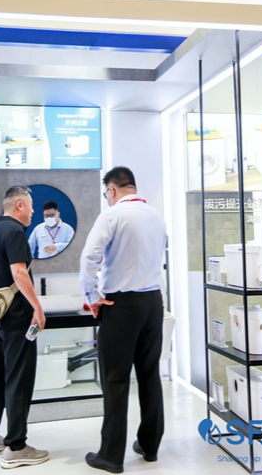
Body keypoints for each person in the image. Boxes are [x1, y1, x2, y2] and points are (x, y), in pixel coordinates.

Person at [79, 167, 166, 474]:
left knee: (115, 380)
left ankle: (111, 456)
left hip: (121, 305)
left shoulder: (112, 215)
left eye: (106, 194)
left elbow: (89, 257)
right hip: (153, 303)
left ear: (112, 190)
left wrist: (91, 296)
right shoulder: (157, 216)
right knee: (150, 375)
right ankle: (150, 446)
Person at [0, 185, 49, 469]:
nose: (33, 211)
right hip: (17, 320)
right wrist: (37, 308)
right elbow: (19, 273)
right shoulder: (16, 232)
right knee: (18, 379)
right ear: (19, 205)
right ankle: (16, 447)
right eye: (30, 205)